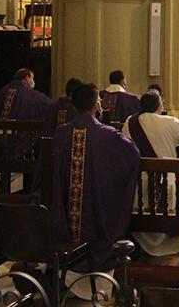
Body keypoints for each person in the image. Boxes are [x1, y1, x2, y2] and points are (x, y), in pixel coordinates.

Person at [52, 83, 140, 285]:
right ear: (96, 105)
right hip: (98, 226)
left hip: (65, 225)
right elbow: (132, 155)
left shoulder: (61, 134)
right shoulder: (109, 135)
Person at [123, 90, 179, 257]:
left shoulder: (130, 122)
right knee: (169, 193)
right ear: (160, 106)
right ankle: (165, 244)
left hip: (138, 183)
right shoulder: (170, 122)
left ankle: (140, 244)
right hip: (165, 180)